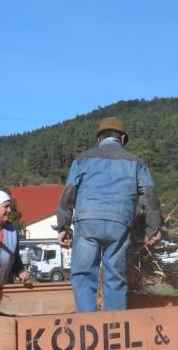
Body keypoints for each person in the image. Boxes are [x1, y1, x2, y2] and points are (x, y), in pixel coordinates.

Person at [56, 117, 163, 312]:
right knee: (115, 276)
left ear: (99, 139)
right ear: (122, 138)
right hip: (119, 224)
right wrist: (153, 228)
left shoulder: (82, 159)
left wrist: (63, 227)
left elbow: (68, 194)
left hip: (87, 222)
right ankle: (115, 329)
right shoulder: (136, 162)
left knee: (83, 275)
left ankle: (88, 329)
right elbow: (150, 196)